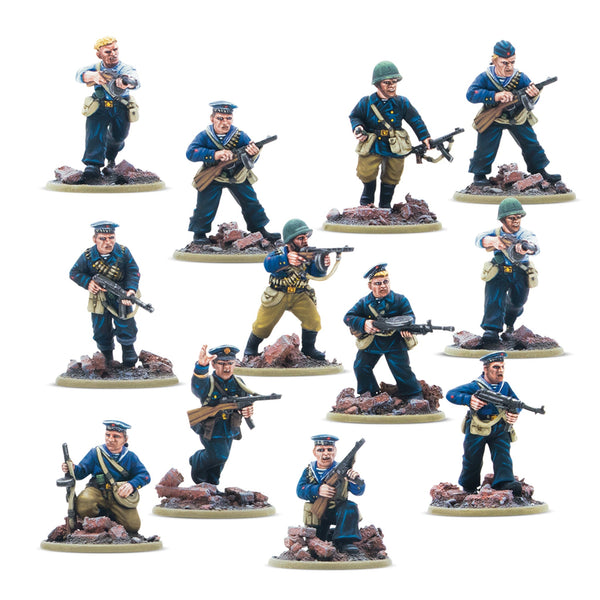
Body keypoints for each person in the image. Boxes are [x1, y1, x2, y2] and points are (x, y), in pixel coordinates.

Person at [467, 40, 560, 186]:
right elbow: (471, 94)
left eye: (512, 62)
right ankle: (479, 174)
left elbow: (532, 103)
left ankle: (539, 171)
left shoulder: (521, 78)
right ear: (495, 60)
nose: (509, 66)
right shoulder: (485, 77)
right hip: (492, 118)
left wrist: (533, 95)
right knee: (485, 147)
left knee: (531, 143)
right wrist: (495, 96)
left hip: (517, 117)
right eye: (504, 63)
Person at [186, 101, 280, 244]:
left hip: (237, 176)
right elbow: (191, 153)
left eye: (228, 118)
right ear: (212, 118)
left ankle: (259, 229)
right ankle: (199, 233)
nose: (225, 122)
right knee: (205, 206)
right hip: (212, 177)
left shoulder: (240, 136)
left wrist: (253, 153)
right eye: (220, 118)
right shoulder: (204, 136)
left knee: (251, 202)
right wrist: (215, 154)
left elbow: (252, 161)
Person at [243, 218, 336, 361]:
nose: (305, 241)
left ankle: (309, 349)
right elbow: (268, 264)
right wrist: (286, 259)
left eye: (306, 237)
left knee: (313, 320)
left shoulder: (308, 254)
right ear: (290, 241)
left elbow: (317, 274)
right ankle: (250, 349)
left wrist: (322, 264)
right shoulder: (279, 253)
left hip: (300, 294)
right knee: (262, 325)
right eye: (300, 238)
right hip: (278, 294)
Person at [349, 60, 431, 208]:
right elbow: (355, 116)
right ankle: (366, 206)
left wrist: (424, 137)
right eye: (387, 82)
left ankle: (385, 206)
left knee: (393, 175)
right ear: (377, 84)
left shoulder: (402, 102)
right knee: (366, 173)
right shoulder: (366, 102)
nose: (392, 85)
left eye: (394, 82)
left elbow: (415, 119)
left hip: (396, 144)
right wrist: (357, 127)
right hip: (373, 144)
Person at [446, 352, 522, 496]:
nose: (500, 370)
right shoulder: (476, 386)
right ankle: (469, 485)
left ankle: (504, 481)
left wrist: (514, 412)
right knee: (472, 457)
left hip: (499, 426)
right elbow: (451, 394)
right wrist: (469, 399)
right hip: (477, 426)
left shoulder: (505, 386)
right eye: (496, 367)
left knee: (503, 455)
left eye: (502, 367)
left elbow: (516, 402)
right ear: (485, 368)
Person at [343, 264, 422, 400]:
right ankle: (369, 394)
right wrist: (364, 323)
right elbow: (348, 317)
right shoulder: (364, 302)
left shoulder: (400, 300)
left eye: (386, 282)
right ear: (370, 286)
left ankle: (413, 395)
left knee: (401, 369)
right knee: (360, 366)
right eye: (378, 283)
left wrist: (408, 327)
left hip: (394, 341)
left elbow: (409, 316)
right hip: (373, 342)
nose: (383, 286)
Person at [69, 221, 141, 367]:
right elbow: (74, 273)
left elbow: (133, 271)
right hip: (99, 297)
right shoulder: (88, 256)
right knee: (100, 328)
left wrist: (131, 290)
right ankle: (106, 357)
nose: (108, 242)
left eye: (111, 238)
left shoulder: (123, 252)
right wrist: (88, 282)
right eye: (103, 238)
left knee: (126, 323)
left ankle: (128, 352)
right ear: (94, 239)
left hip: (121, 295)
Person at [61, 420, 150, 533]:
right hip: (97, 491)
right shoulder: (96, 453)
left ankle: (112, 523)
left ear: (125, 439)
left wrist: (132, 485)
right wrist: (72, 468)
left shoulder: (130, 457)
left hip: (119, 497)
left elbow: (145, 475)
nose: (110, 439)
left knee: (132, 526)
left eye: (116, 436)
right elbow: (81, 473)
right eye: (108, 435)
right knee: (84, 502)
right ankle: (96, 526)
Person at [476, 197, 539, 348]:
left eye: (518, 217)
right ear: (503, 219)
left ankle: (509, 323)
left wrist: (525, 247)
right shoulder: (495, 232)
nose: (516, 221)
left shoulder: (525, 234)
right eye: (512, 218)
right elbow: (478, 239)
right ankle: (491, 330)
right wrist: (493, 241)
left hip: (520, 272)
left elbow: (535, 247)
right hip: (499, 270)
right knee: (493, 298)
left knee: (518, 302)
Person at [189, 345, 256, 485]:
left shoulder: (238, 383)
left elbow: (247, 398)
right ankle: (197, 459)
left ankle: (212, 485)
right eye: (221, 363)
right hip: (211, 428)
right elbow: (197, 388)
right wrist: (201, 366)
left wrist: (247, 409)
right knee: (220, 456)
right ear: (213, 364)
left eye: (230, 363)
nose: (227, 368)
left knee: (221, 462)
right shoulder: (209, 382)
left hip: (231, 427)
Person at [77, 37, 139, 181]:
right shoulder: (95, 67)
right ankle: (93, 165)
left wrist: (127, 82)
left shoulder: (124, 68)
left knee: (119, 136)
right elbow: (79, 75)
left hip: (120, 106)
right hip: (99, 105)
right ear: (99, 54)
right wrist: (92, 76)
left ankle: (110, 158)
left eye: (115, 50)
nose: (113, 54)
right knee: (94, 134)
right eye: (108, 51)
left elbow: (135, 80)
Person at [296, 435, 365, 554]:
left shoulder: (342, 470)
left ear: (335, 451)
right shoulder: (309, 471)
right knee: (319, 540)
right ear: (314, 452)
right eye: (321, 450)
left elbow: (359, 491)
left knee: (350, 506)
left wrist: (354, 481)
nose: (326, 454)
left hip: (339, 510)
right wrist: (317, 490)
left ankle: (345, 541)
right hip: (318, 512)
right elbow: (300, 490)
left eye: (329, 449)